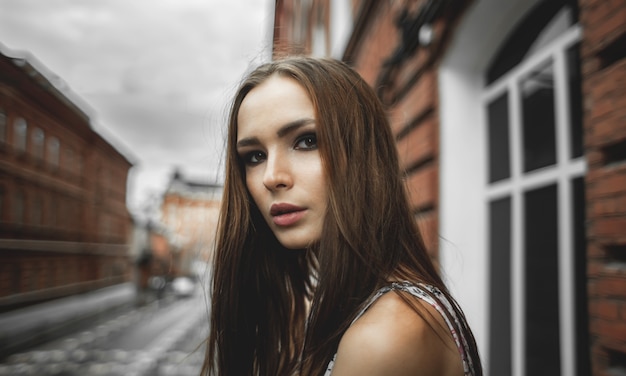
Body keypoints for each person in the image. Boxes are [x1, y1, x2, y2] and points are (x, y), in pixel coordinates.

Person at [201, 56, 482, 376]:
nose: (271, 176)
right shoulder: (328, 310)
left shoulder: (387, 334)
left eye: (307, 141)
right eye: (254, 156)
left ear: (364, 154)